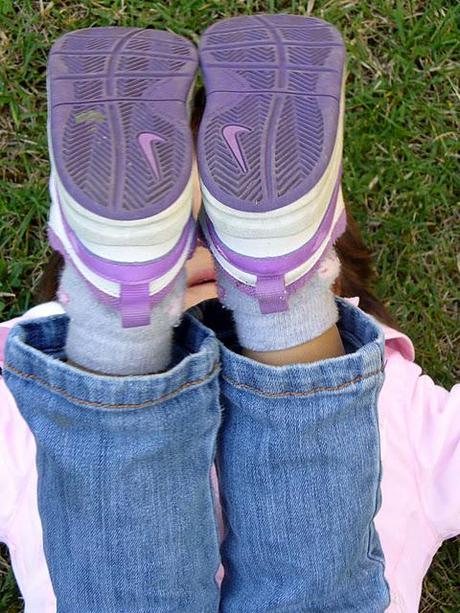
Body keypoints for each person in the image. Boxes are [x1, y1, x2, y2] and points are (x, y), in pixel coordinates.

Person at [0, 16, 458, 613]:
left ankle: (117, 312)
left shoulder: (21, 401)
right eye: (187, 229)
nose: (205, 250)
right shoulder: (395, 399)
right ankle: (282, 293)